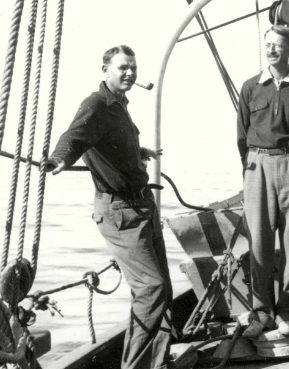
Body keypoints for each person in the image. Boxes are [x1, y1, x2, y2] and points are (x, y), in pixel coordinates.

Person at [45, 45, 173, 369]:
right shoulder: (96, 104)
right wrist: (60, 159)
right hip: (122, 214)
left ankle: (156, 363)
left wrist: (138, 152)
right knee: (151, 289)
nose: (129, 73)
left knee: (162, 291)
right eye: (122, 68)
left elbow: (109, 144)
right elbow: (74, 136)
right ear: (105, 70)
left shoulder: (118, 106)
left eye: (133, 67)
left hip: (142, 206)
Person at [237, 25, 289, 336]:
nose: (271, 50)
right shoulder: (251, 87)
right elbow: (241, 135)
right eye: (267, 45)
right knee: (260, 241)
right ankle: (262, 312)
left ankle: (288, 312)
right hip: (258, 165)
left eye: (278, 46)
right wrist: (251, 166)